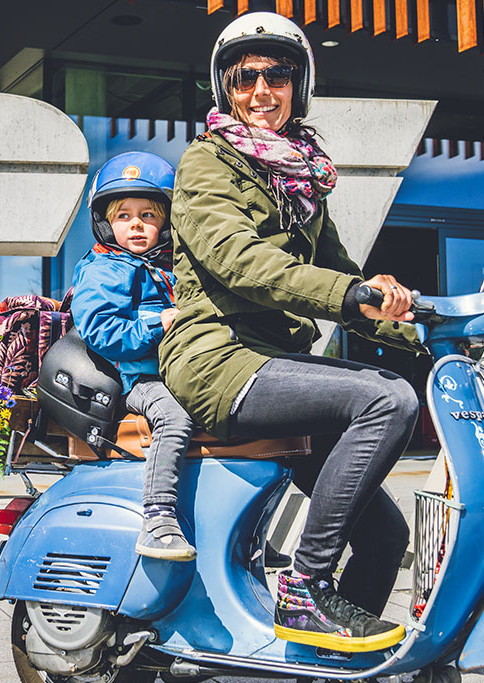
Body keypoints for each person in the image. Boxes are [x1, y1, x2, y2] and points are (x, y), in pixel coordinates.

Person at [160, 12, 424, 652]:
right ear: (227, 87)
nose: (259, 91)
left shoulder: (301, 176)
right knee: (387, 399)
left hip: (274, 363)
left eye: (276, 76)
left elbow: (336, 270)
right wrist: (351, 298)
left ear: (299, 85)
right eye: (244, 77)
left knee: (387, 535)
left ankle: (322, 659)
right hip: (217, 356)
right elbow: (239, 262)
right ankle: (305, 587)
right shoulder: (205, 163)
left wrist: (412, 319)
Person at [71, 151, 196, 562]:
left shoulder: (168, 267)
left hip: (180, 372)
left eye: (149, 214)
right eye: (124, 216)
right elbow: (103, 332)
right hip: (138, 378)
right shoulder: (104, 269)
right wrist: (158, 323)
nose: (137, 224)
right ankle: (157, 519)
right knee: (173, 418)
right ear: (106, 224)